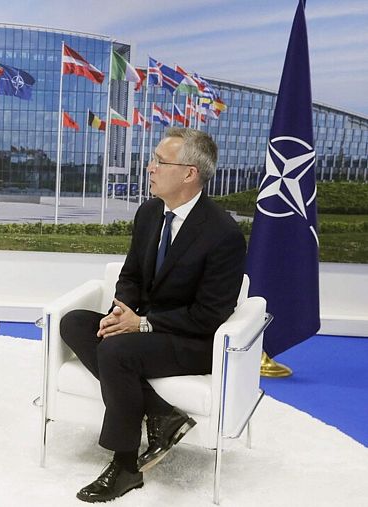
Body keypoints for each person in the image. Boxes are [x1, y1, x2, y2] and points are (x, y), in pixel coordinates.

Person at [60, 127, 246, 502]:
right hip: (147, 326)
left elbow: (208, 315)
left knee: (116, 352)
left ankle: (126, 466)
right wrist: (120, 312)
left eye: (161, 161)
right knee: (75, 323)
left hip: (191, 339)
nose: (150, 167)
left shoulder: (223, 233)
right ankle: (161, 413)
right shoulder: (149, 213)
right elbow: (130, 275)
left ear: (190, 173)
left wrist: (142, 323)